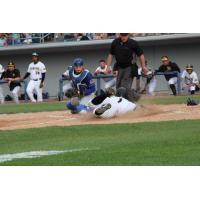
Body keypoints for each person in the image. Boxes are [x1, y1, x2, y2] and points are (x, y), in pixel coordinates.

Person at [66, 87, 137, 118]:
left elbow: (94, 102)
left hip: (104, 107)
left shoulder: (105, 99)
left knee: (93, 109)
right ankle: (100, 111)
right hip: (123, 107)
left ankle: (99, 112)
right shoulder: (121, 99)